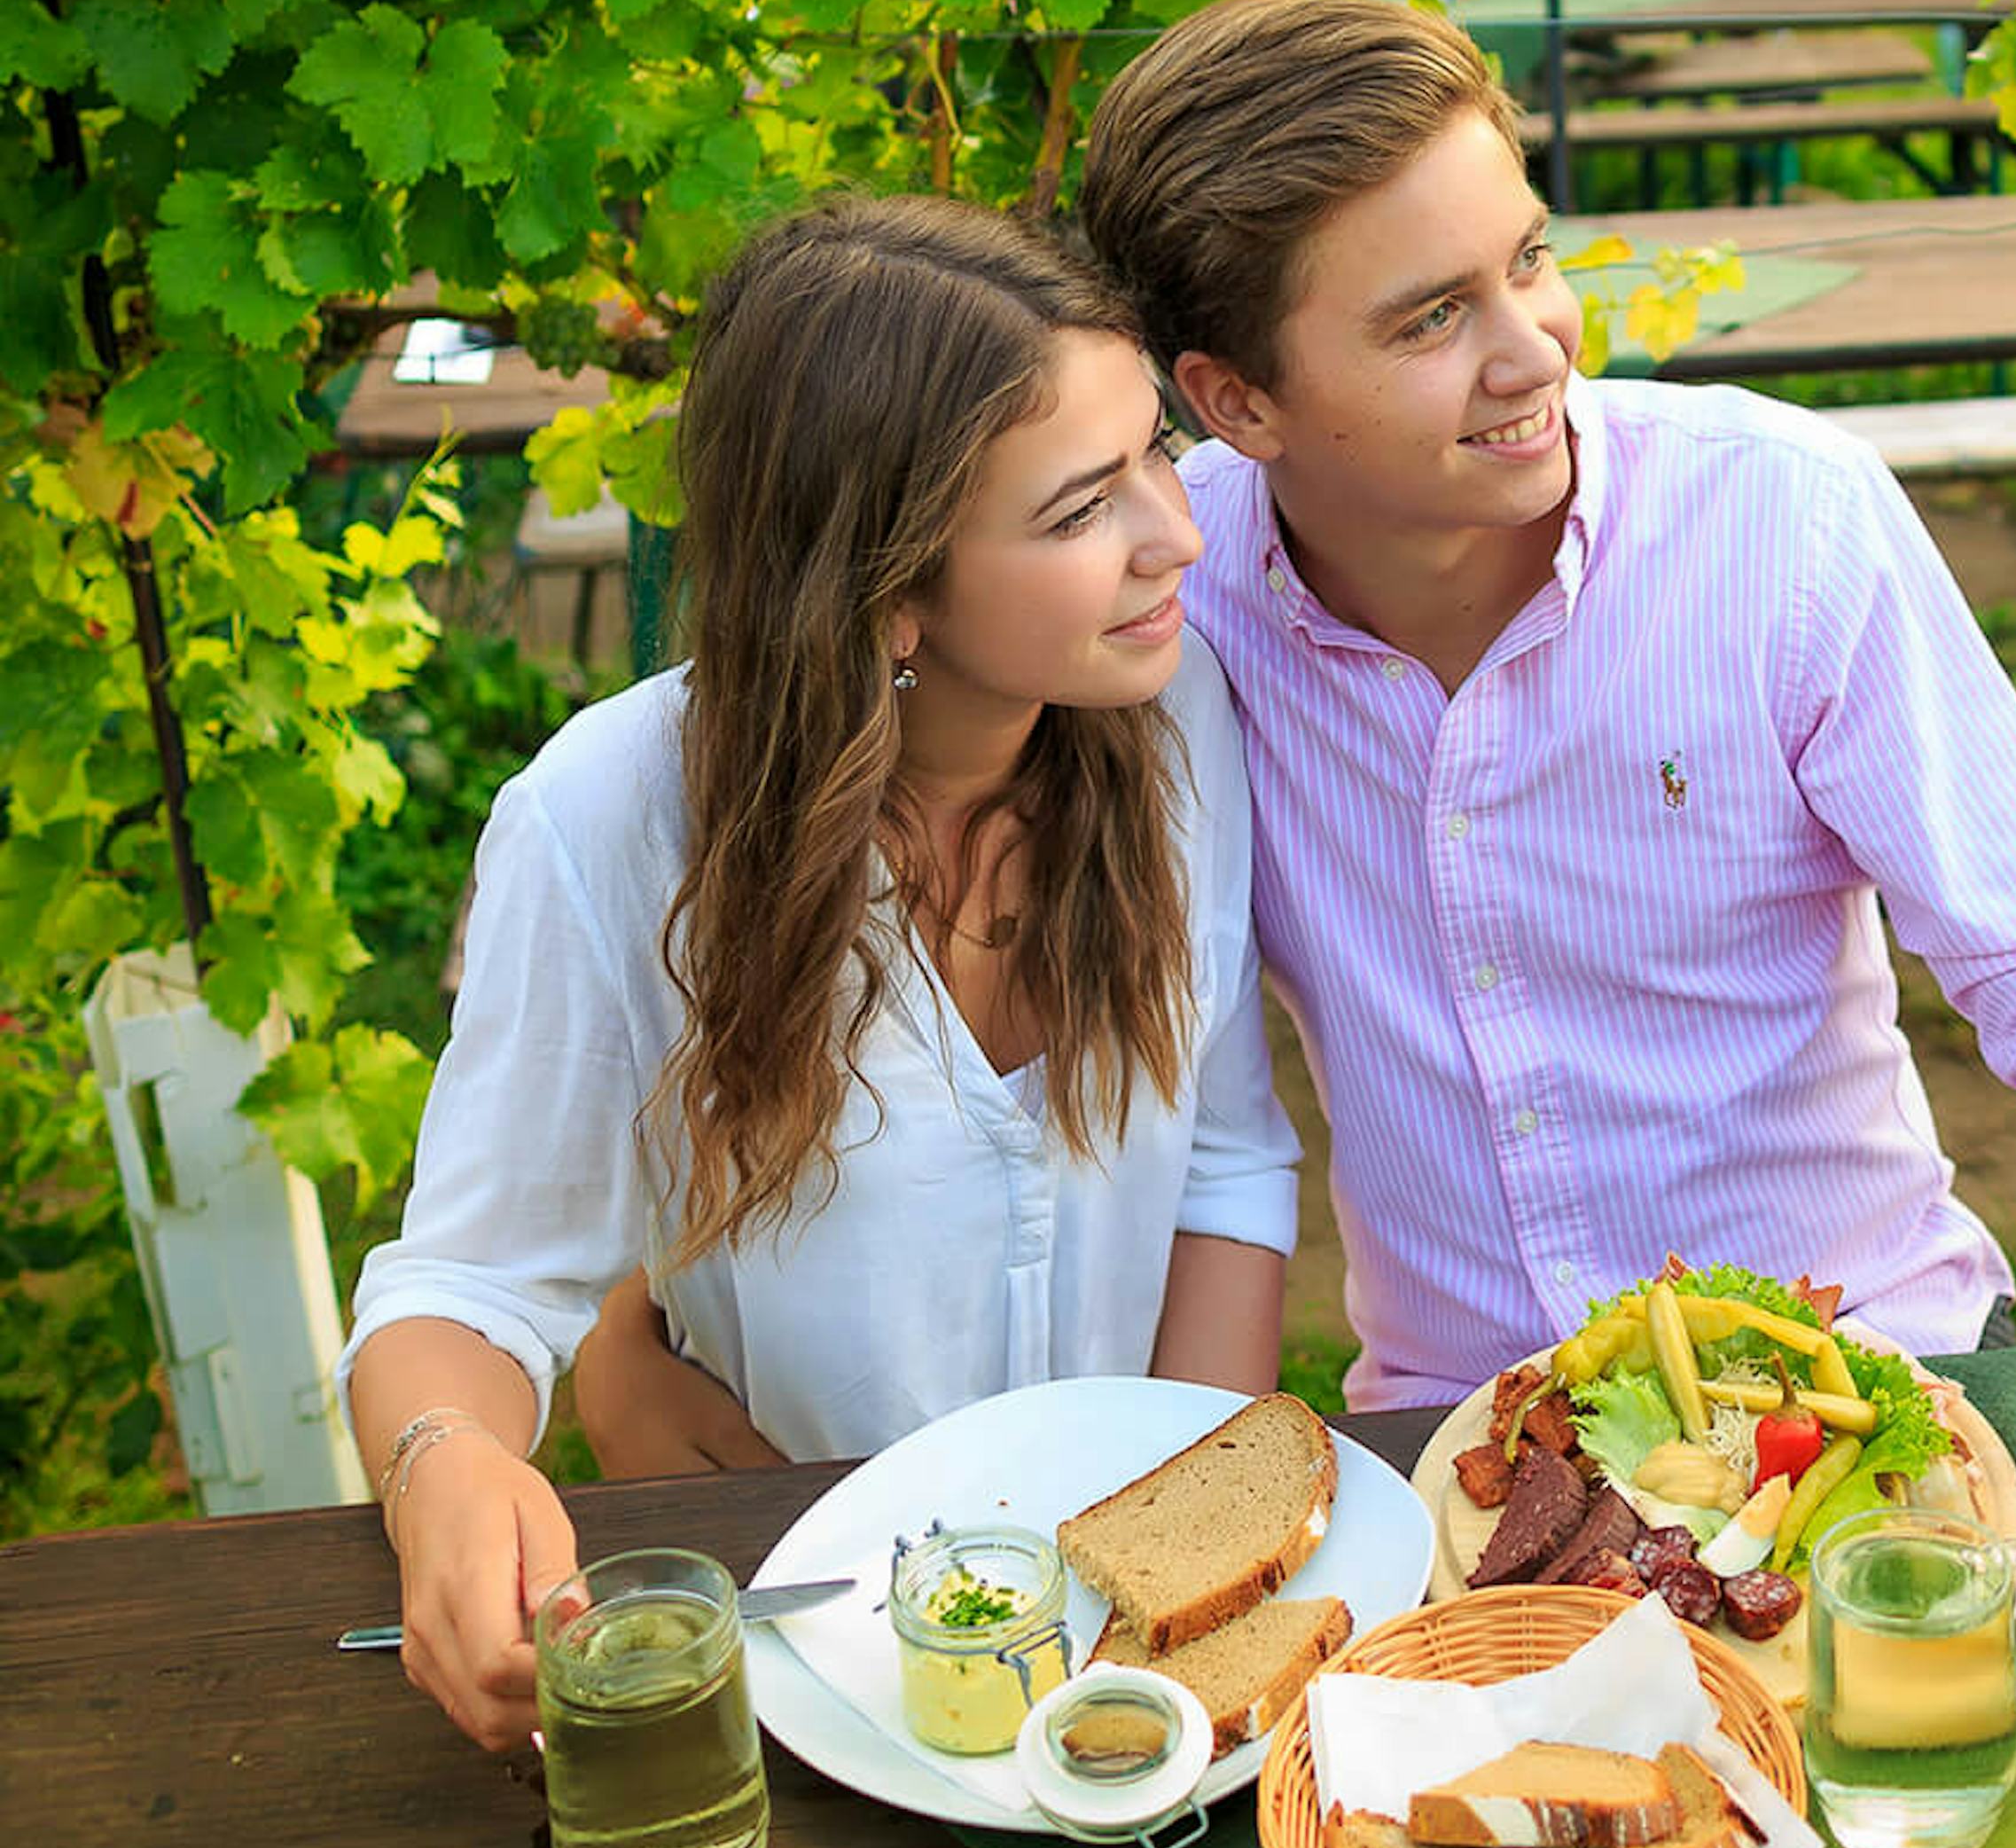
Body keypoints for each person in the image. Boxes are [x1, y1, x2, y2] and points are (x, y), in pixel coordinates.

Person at [1070, 0, 2016, 1540]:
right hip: (1472, 1452)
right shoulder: (1168, 615)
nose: (1530, 349)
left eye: (1530, 260)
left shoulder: (1781, 523)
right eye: (1429, 318)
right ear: (1234, 402)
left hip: (1870, 1397)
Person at [340, 195, 1299, 1751]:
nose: (1174, 535)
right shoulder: (612, 823)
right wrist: (447, 1465)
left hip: (1122, 1662)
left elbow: (1227, 1163)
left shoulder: (1177, 723)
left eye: (1156, 456)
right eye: (1078, 510)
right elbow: (467, 1285)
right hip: (802, 1629)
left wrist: (1186, 1556)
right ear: (891, 595)